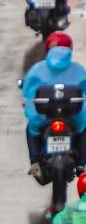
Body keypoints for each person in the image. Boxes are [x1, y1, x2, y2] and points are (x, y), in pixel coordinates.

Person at [21, 32, 86, 175]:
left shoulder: (37, 69)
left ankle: (35, 163)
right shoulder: (78, 69)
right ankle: (82, 164)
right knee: (83, 130)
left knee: (31, 129)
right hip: (73, 117)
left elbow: (26, 89)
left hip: (44, 118)